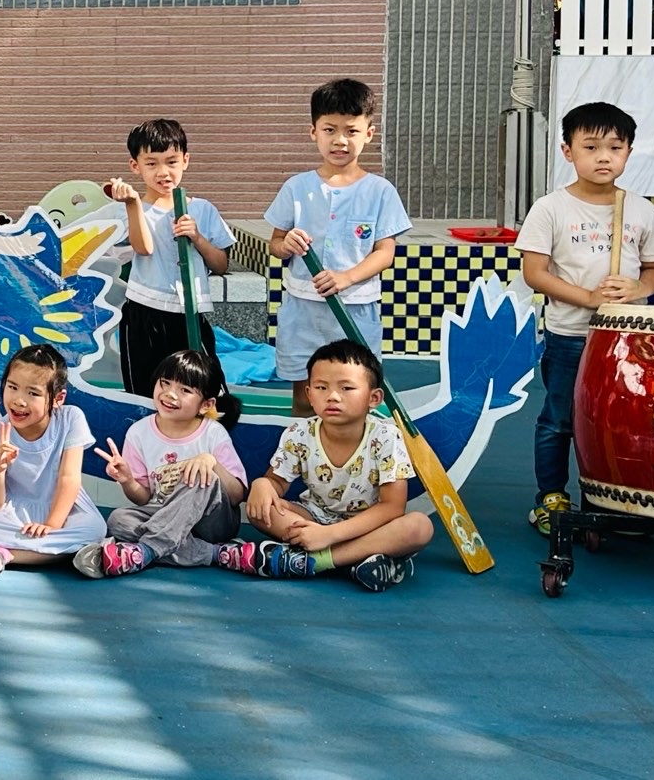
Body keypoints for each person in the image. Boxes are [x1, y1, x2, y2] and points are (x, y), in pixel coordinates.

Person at [516, 101, 654, 531]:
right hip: (569, 337)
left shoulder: (641, 210)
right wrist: (587, 297)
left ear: (628, 152)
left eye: (615, 148)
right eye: (591, 147)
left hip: (628, 338)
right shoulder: (551, 208)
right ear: (568, 151)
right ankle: (551, 497)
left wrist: (638, 289)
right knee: (559, 419)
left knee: (624, 420)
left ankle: (616, 498)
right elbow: (534, 273)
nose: (604, 157)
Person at [218, 339, 432, 591]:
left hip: (368, 526)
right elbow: (276, 482)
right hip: (314, 518)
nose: (332, 396)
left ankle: (317, 561)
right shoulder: (299, 433)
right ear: (309, 394)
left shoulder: (386, 437)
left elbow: (392, 507)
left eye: (346, 388)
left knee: (419, 527)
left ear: (374, 398)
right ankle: (360, 560)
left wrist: (329, 536)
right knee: (262, 510)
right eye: (321, 387)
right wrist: (263, 485)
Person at [264, 79, 411, 413]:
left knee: (355, 394)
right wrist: (286, 244)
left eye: (351, 131)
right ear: (313, 132)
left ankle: (353, 446)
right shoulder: (296, 187)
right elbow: (275, 243)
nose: (340, 140)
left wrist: (347, 277)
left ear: (369, 134)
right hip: (302, 311)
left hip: (355, 310)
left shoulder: (380, 191)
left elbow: (385, 253)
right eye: (330, 130)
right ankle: (303, 445)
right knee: (305, 396)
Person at [76, 349, 247, 578]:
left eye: (185, 390)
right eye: (165, 383)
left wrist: (211, 462)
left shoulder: (213, 433)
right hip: (164, 516)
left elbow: (236, 496)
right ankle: (218, 554)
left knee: (198, 474)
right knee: (118, 520)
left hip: (211, 524)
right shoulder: (138, 433)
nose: (170, 394)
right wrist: (128, 481)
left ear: (206, 405)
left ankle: (147, 550)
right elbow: (144, 498)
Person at [102, 119, 238, 399]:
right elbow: (143, 248)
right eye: (151, 163)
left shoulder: (202, 209)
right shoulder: (130, 209)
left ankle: (206, 428)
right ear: (135, 166)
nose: (163, 172)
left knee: (208, 389)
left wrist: (197, 237)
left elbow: (221, 264)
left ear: (185, 160)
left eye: (172, 162)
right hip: (144, 311)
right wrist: (132, 204)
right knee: (145, 391)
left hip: (189, 312)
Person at [0, 344, 103, 581]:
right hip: (13, 511)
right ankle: (75, 554)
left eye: (33, 393)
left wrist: (52, 525)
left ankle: (3, 555)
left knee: (95, 528)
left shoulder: (71, 418)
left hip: (62, 506)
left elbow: (69, 478)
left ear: (58, 398)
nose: (19, 400)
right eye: (12, 387)